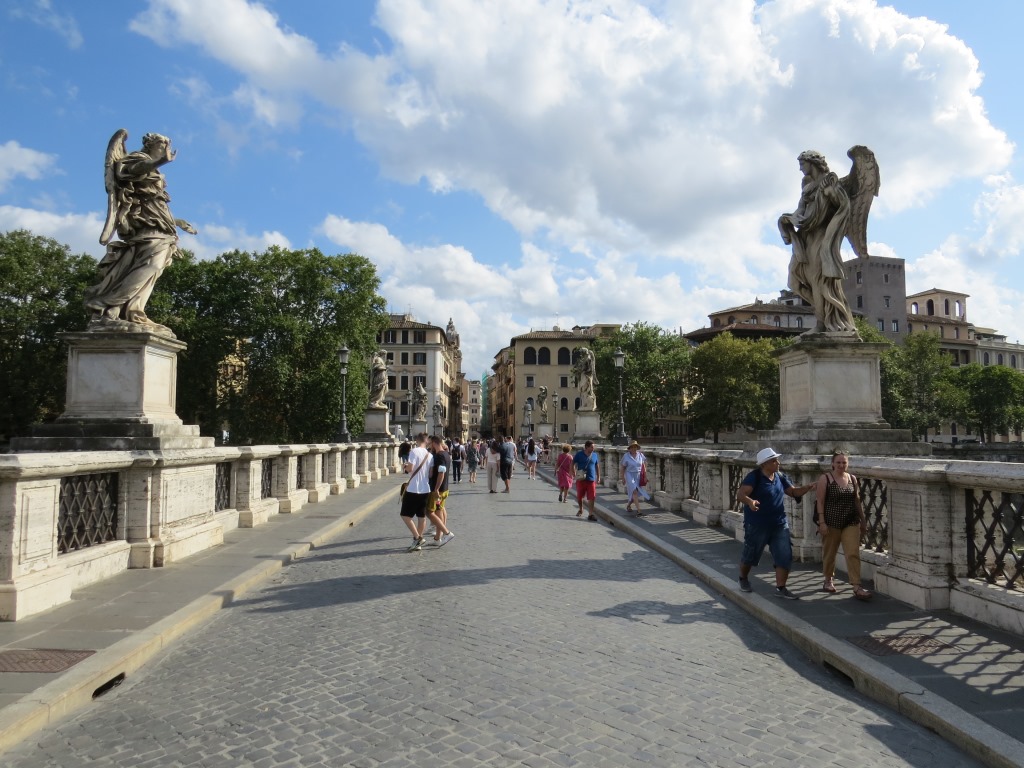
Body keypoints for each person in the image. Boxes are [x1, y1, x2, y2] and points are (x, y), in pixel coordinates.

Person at [86, 130, 197, 328]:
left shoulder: (152, 170)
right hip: (145, 226)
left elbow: (156, 204)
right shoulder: (136, 159)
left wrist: (177, 222)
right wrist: (159, 162)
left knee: (153, 271)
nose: (166, 149)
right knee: (150, 266)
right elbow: (131, 170)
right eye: (162, 145)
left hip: (159, 225)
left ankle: (133, 310)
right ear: (150, 145)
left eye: (167, 146)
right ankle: (108, 305)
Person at [778, 150, 858, 333]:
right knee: (794, 282)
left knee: (818, 281)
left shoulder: (830, 182)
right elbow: (800, 212)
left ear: (812, 163)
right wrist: (787, 219)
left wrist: (831, 195)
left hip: (821, 237)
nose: (800, 169)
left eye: (802, 164)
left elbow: (844, 207)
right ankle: (830, 312)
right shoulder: (807, 184)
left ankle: (822, 323)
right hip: (805, 237)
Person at [736, 447, 815, 599]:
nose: (778, 463)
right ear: (764, 464)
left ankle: (781, 588)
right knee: (751, 555)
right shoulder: (754, 477)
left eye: (777, 460)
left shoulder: (780, 476)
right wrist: (750, 502)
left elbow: (793, 492)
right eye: (774, 461)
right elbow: (740, 494)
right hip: (757, 524)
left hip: (779, 524)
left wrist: (808, 487)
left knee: (785, 555)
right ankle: (743, 578)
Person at [815, 450, 871, 600]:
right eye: (838, 462)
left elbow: (857, 500)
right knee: (830, 552)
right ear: (833, 464)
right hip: (831, 521)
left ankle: (857, 586)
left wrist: (863, 520)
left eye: (844, 462)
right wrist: (822, 522)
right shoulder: (825, 478)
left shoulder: (852, 478)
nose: (841, 465)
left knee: (853, 552)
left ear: (848, 464)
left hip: (850, 521)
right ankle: (828, 579)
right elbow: (820, 501)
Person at [400, 433, 434, 551]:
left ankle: (418, 537)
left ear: (417, 440)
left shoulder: (414, 452)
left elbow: (410, 468)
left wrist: (405, 467)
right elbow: (430, 474)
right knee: (421, 516)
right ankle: (417, 543)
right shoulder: (430, 455)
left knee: (405, 515)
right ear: (427, 441)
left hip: (414, 488)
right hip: (425, 489)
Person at [426, 435, 455, 546]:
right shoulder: (446, 454)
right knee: (440, 510)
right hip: (444, 488)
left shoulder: (439, 456)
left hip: (438, 490)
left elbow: (441, 472)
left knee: (430, 512)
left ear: (434, 443)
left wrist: (436, 488)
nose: (429, 446)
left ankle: (446, 533)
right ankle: (438, 538)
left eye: (430, 443)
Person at [620, 441, 651, 517]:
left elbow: (643, 466)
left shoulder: (640, 455)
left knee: (635, 493)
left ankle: (628, 505)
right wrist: (622, 478)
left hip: (638, 475)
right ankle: (639, 510)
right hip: (629, 474)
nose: (634, 448)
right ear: (629, 448)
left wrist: (645, 476)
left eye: (635, 447)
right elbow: (623, 468)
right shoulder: (626, 456)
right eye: (632, 447)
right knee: (634, 491)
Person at [573, 440, 601, 520]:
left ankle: (590, 514)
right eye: (591, 447)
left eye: (593, 447)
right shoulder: (579, 454)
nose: (593, 448)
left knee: (592, 497)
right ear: (586, 447)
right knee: (579, 496)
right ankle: (581, 509)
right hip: (581, 479)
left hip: (591, 479)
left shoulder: (595, 455)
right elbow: (573, 463)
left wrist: (598, 477)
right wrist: (573, 473)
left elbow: (597, 466)